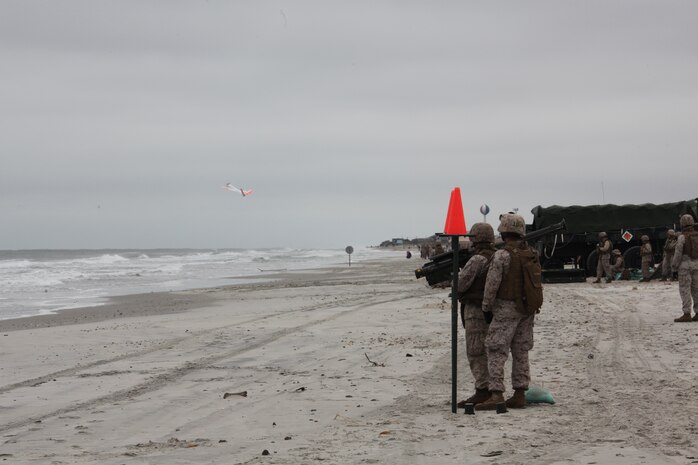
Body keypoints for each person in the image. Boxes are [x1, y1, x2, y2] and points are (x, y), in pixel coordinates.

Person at [476, 213, 539, 411]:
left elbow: (491, 285)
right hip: (527, 309)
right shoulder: (531, 253)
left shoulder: (502, 255)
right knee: (521, 350)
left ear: (503, 232)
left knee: (496, 349)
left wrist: (486, 307)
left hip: (506, 308)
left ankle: (496, 394)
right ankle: (520, 393)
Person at [456, 223, 496, 407]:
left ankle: (482, 391)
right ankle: (493, 389)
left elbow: (460, 285)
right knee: (490, 352)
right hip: (494, 310)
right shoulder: (497, 256)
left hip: (476, 311)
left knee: (476, 351)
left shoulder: (477, 260)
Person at [671, 214, 698, 322]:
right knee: (696, 290)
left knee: (685, 290)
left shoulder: (682, 237)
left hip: (685, 267)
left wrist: (674, 268)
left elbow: (678, 254)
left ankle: (687, 314)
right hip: (697, 265)